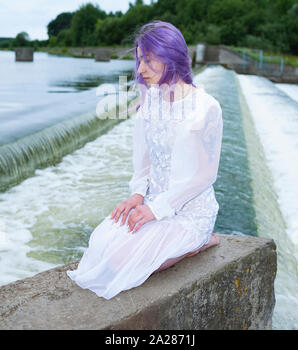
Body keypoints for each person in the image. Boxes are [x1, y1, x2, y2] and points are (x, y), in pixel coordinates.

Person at [66, 21, 223, 299]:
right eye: (139, 60)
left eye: (148, 61)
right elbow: (144, 159)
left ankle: (198, 243)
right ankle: (171, 241)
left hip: (189, 212)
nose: (140, 70)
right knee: (100, 246)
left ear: (172, 56)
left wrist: (157, 210)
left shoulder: (206, 107)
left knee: (121, 263)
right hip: (152, 202)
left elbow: (204, 176)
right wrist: (137, 196)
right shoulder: (150, 100)